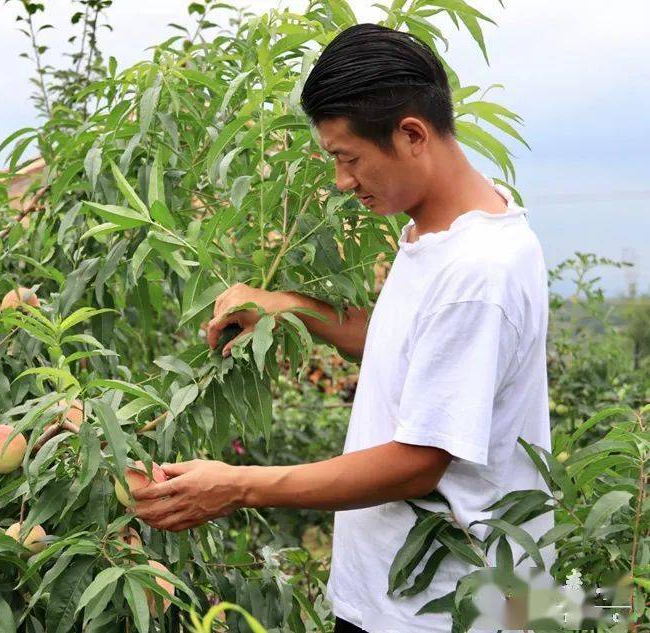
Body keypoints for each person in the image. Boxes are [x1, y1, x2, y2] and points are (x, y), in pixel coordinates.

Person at [131, 22, 554, 632]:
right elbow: (403, 347)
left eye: (347, 158)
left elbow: (418, 462)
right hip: (392, 595)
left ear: (411, 134)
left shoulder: (478, 273)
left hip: (439, 611)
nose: (341, 182)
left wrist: (238, 487)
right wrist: (286, 305)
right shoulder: (441, 233)